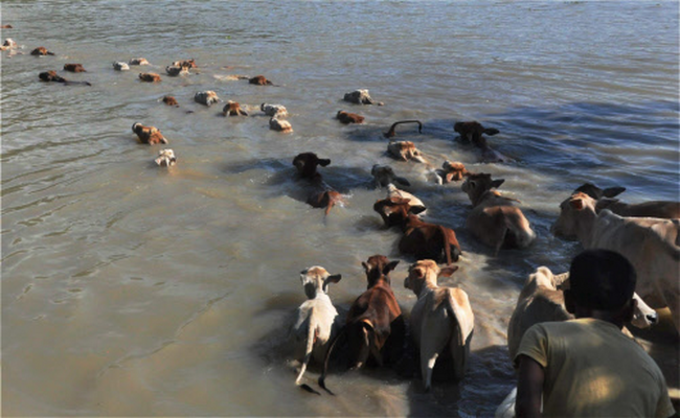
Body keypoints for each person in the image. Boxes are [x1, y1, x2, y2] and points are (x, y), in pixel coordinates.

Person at [515, 249, 675, 418]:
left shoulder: (542, 336)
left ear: (568, 302)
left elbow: (526, 409)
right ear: (631, 311)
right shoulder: (650, 366)